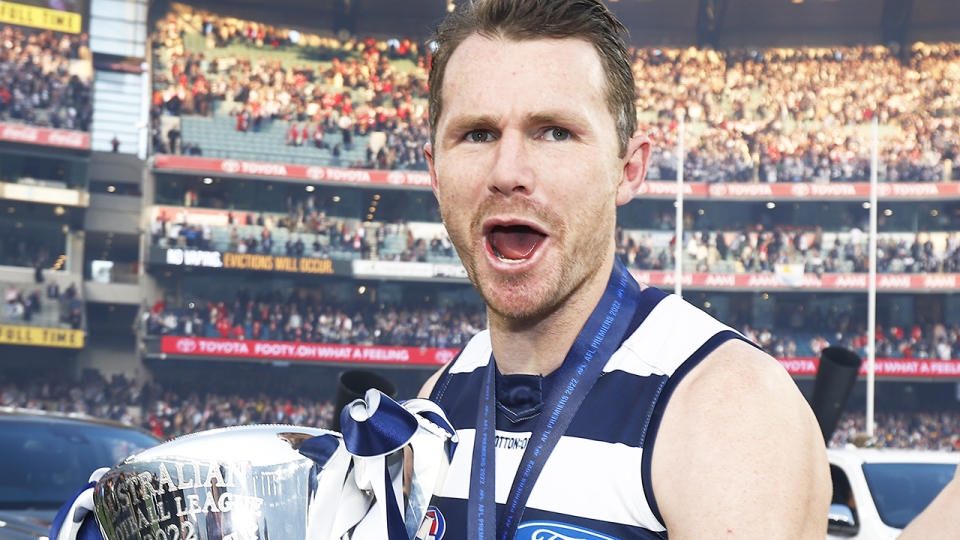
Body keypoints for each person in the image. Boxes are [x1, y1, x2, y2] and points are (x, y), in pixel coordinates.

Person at [416, 1, 831, 538]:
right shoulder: (437, 401)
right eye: (477, 134)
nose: (508, 172)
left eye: (554, 132)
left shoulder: (731, 411)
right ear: (434, 171)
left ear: (628, 169)